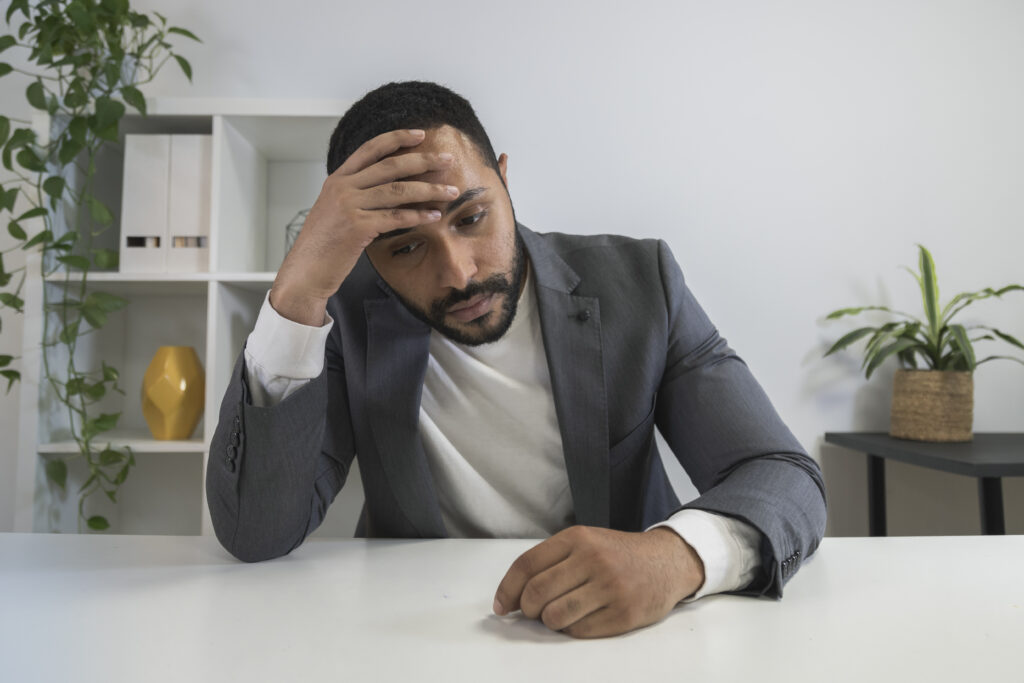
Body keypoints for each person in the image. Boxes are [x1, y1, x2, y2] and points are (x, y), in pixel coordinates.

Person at [206, 80, 827, 639]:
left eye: (472, 217)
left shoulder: (640, 284)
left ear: (505, 177)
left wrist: (674, 558)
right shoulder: (341, 317)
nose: (458, 273)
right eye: (405, 248)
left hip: (623, 638)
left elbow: (783, 473)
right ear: (368, 251)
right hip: (411, 635)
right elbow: (257, 532)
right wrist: (295, 298)